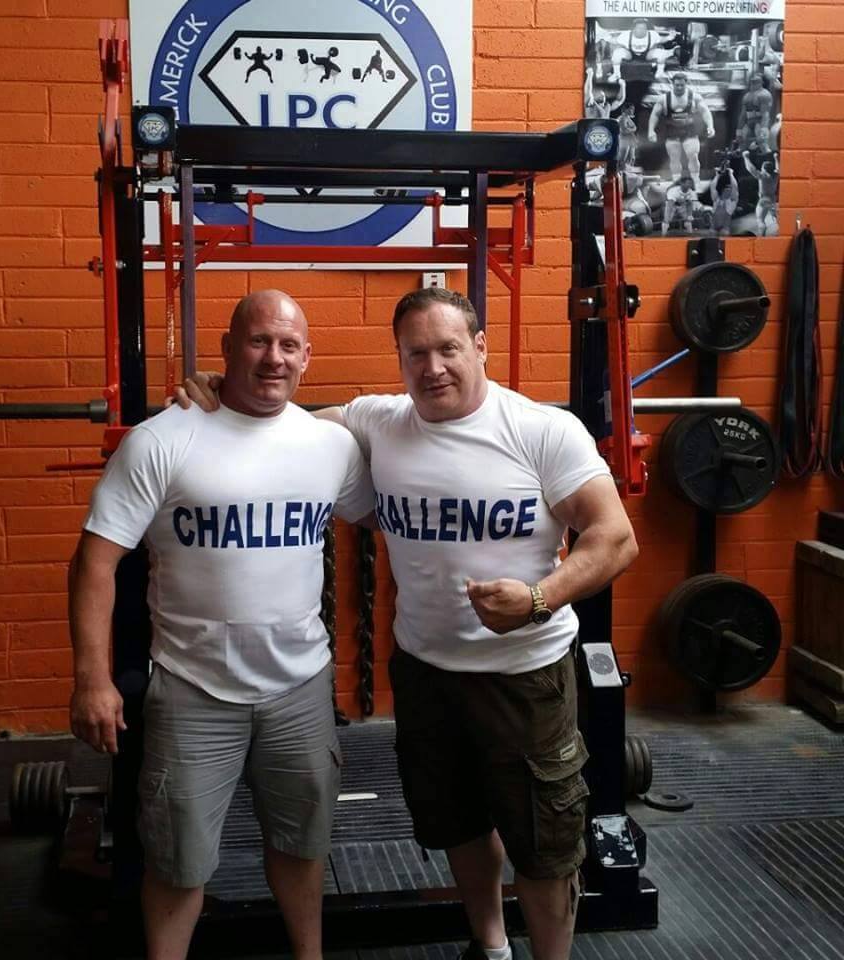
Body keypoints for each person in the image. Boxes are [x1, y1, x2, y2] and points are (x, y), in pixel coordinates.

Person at [178, 287, 639, 960]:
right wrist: (222, 394)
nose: (433, 368)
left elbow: (615, 537)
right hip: (424, 674)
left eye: (448, 349)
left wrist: (538, 598)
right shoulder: (379, 421)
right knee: (457, 820)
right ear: (399, 359)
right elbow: (280, 423)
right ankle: (490, 945)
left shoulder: (542, 431)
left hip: (523, 676)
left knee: (544, 843)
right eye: (415, 354)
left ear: (480, 347)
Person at [68, 290, 375, 960]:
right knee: (178, 862)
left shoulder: (331, 447)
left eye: (289, 345)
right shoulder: (164, 439)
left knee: (302, 847)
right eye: (259, 341)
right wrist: (92, 678)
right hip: (192, 689)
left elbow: (399, 509)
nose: (274, 358)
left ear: (307, 357)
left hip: (300, 689)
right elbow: (95, 561)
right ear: (228, 348)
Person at [647, 72, 715, 183]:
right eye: (677, 85)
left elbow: (705, 112)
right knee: (674, 157)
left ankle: (695, 179)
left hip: (689, 131)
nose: (679, 87)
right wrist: (651, 130)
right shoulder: (664, 99)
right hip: (672, 132)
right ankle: (676, 180)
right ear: (672, 84)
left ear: (686, 84)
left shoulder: (695, 97)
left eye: (682, 85)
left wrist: (710, 126)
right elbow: (655, 115)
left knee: (693, 155)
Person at [601, 18, 680, 81]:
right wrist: (607, 38)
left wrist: (670, 37)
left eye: (644, 28)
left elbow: (661, 40)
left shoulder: (652, 34)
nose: (642, 30)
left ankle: (660, 73)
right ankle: (616, 74)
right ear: (634, 29)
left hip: (647, 54)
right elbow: (615, 41)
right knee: (617, 53)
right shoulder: (626, 35)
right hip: (630, 54)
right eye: (639, 28)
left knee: (660, 53)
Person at [742, 150, 779, 236]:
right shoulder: (776, 175)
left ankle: (761, 237)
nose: (761, 169)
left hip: (764, 199)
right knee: (777, 217)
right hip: (773, 199)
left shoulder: (763, 176)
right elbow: (778, 169)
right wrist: (776, 158)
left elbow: (751, 169)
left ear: (764, 169)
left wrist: (746, 157)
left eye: (762, 168)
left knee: (760, 220)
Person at [737, 76, 773, 150]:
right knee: (743, 144)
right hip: (749, 122)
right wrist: (739, 130)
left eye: (756, 81)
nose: (753, 83)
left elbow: (765, 114)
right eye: (752, 81)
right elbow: (743, 115)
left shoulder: (764, 94)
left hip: (759, 122)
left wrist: (764, 128)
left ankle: (767, 155)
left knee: (762, 143)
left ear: (761, 82)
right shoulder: (747, 96)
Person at [710, 165, 739, 235]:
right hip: (713, 228)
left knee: (724, 236)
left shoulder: (731, 202)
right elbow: (712, 187)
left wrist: (731, 174)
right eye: (726, 189)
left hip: (724, 228)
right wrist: (717, 175)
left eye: (729, 190)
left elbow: (735, 187)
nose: (728, 191)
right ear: (723, 191)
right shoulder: (717, 200)